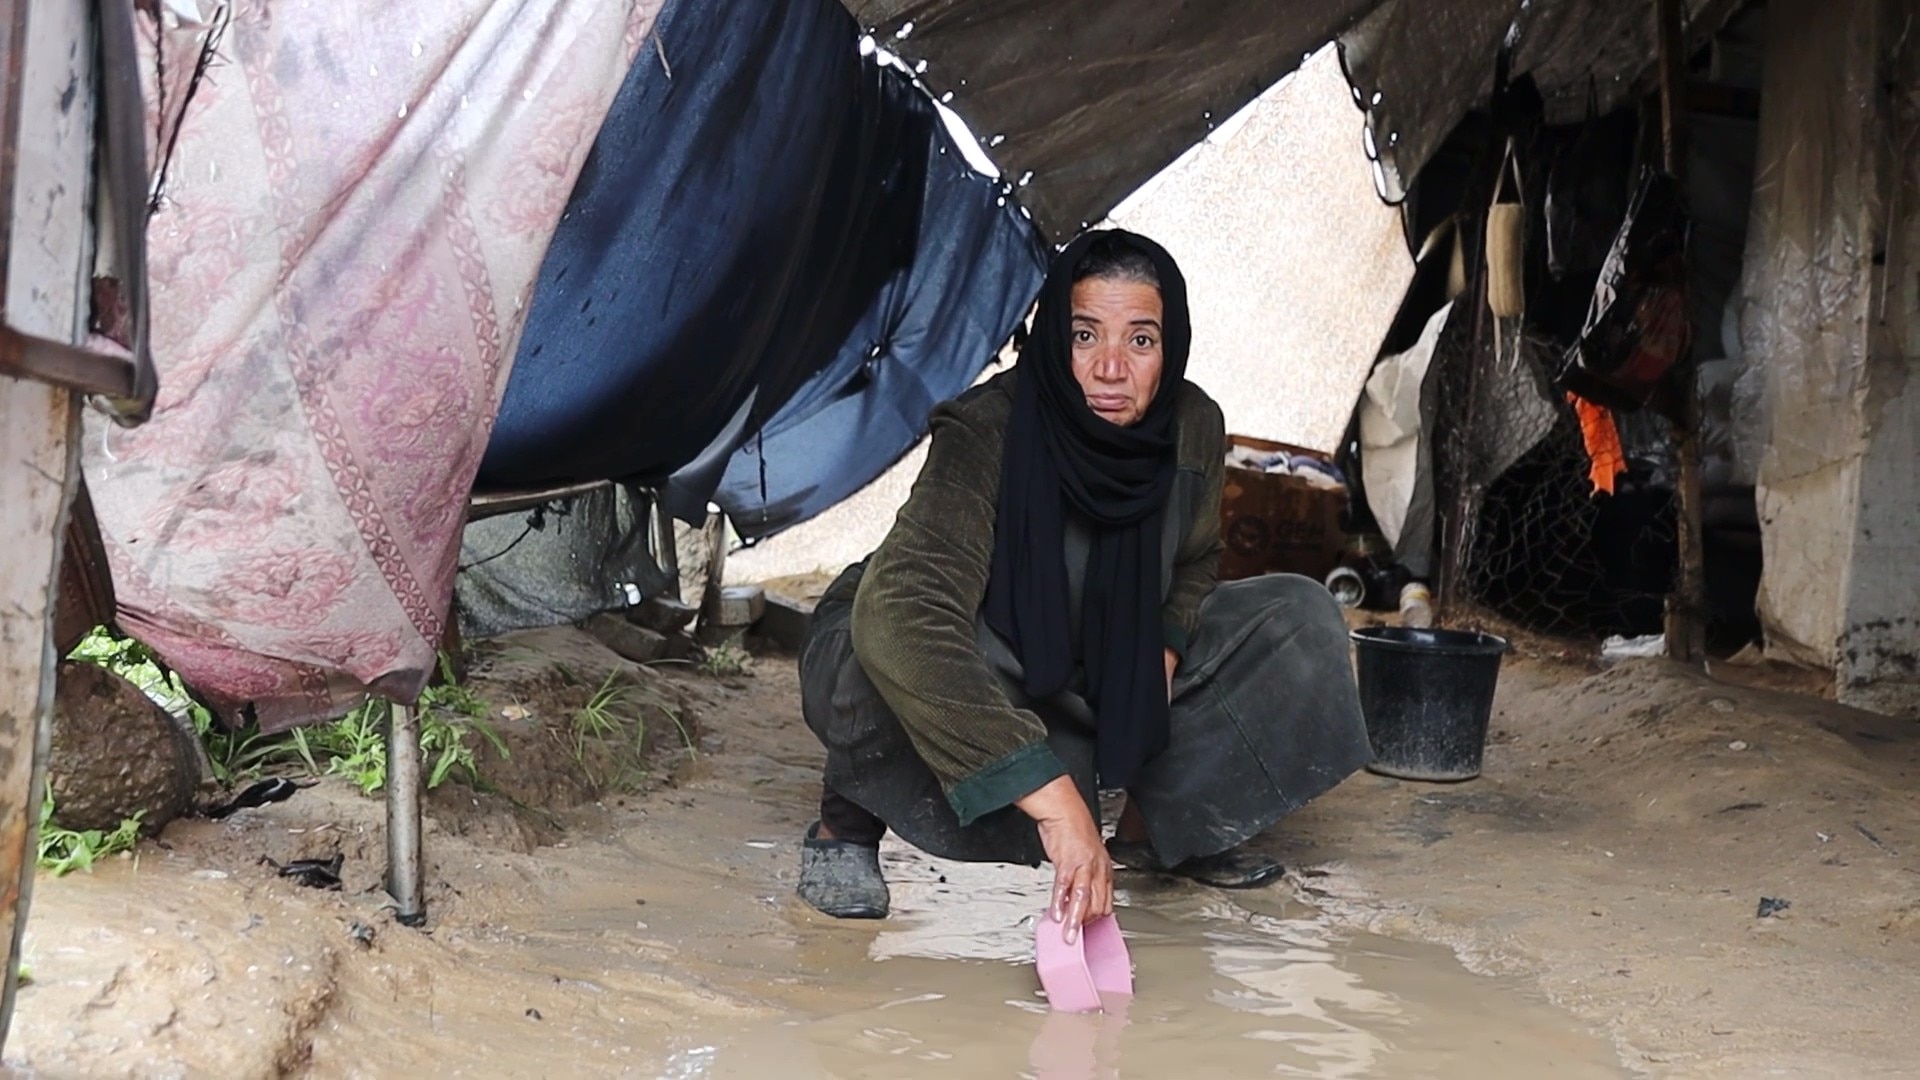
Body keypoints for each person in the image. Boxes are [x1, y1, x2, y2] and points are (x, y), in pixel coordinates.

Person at [795, 229, 1371, 941]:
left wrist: (1161, 648)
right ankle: (843, 826)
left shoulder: (1191, 427)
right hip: (986, 646)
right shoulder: (987, 430)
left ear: (1172, 347)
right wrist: (1063, 812)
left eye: (1140, 341)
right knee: (885, 648)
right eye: (1085, 335)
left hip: (1099, 655)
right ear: (1051, 341)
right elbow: (906, 614)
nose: (1109, 368)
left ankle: (1156, 831)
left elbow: (1195, 562)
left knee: (1300, 618)